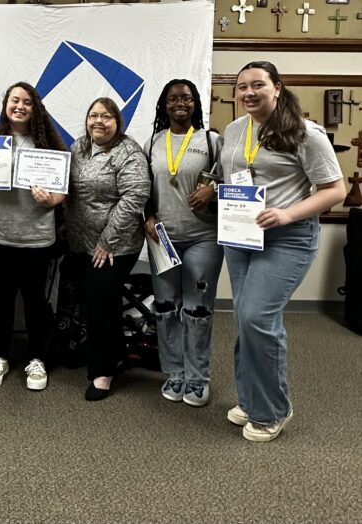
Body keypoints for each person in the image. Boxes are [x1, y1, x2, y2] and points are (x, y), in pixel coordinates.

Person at [221, 61, 345, 441]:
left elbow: (335, 190)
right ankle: (252, 399)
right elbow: (235, 175)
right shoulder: (234, 128)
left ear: (276, 87)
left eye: (258, 85)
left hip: (288, 238)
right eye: (242, 87)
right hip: (243, 236)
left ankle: (274, 409)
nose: (248, 93)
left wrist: (287, 213)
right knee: (244, 318)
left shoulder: (306, 133)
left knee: (258, 317)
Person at [0, 81, 66, 392]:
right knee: (2, 298)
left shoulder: (49, 145)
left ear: (36, 108)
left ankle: (37, 358)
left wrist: (52, 201)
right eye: (14, 100)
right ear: (5, 106)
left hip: (37, 237)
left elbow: (62, 191)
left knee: (35, 301)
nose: (20, 106)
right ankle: (0, 356)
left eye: (27, 102)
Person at [143, 80, 224, 407]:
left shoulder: (211, 141)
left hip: (203, 237)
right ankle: (174, 373)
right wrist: (147, 217)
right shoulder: (152, 142)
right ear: (164, 105)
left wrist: (213, 190)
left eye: (186, 98)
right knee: (165, 309)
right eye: (173, 98)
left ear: (195, 104)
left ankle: (197, 377)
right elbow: (143, 187)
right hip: (163, 239)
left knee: (197, 309)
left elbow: (233, 183)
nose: (180, 103)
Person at [64, 97, 150, 401]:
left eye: (106, 116)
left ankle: (103, 372)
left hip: (116, 245)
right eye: (93, 115)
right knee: (93, 300)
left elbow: (134, 199)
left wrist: (106, 241)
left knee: (101, 300)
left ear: (118, 121)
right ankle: (115, 354)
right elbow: (67, 187)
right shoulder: (78, 147)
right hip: (79, 242)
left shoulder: (129, 152)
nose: (98, 121)